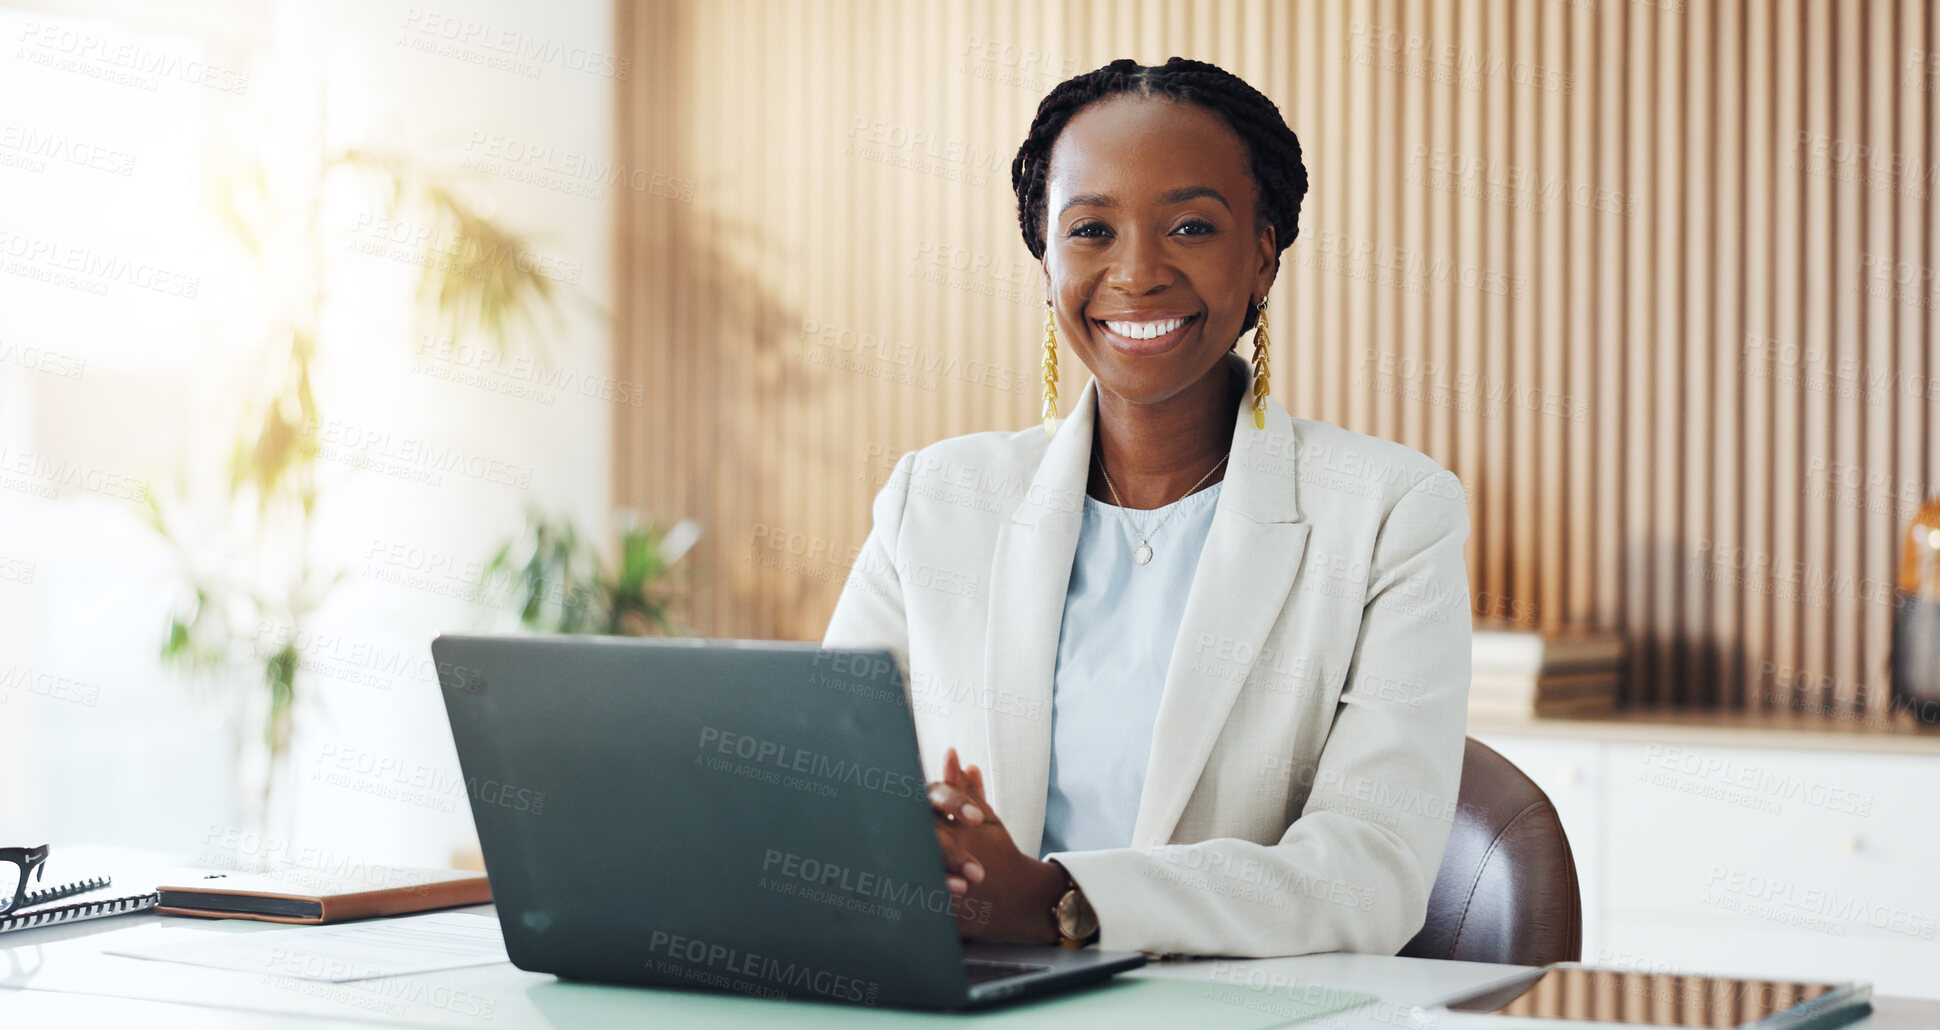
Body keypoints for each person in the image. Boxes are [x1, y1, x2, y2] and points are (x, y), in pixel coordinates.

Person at [822, 56, 1472, 958]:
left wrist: (1061, 900)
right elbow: (824, 795)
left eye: (1191, 226)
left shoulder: (1392, 513)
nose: (1136, 273)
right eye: (1091, 229)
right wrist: (922, 843)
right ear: (1045, 259)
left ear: (1263, 256)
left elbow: (1369, 873)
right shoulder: (934, 501)